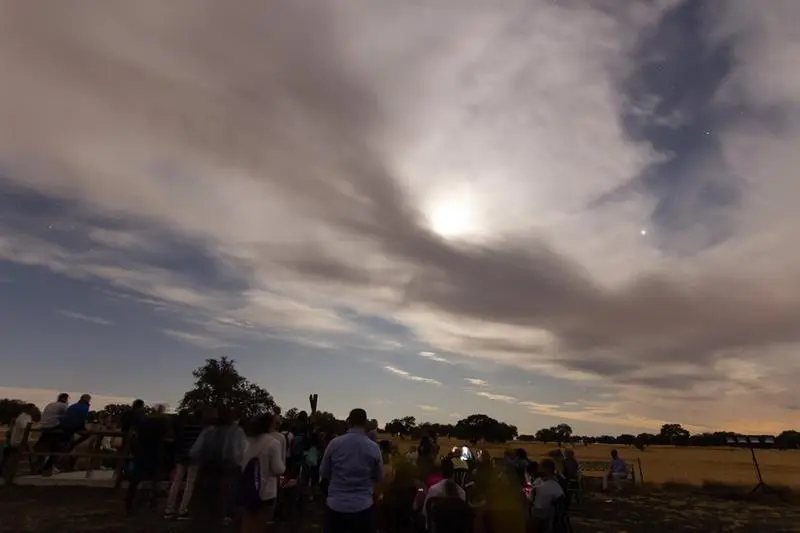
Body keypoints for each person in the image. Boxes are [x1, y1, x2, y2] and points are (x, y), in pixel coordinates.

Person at [320, 408, 383, 533]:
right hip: (363, 506)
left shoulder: (334, 444)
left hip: (336, 505)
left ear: (349, 422)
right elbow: (379, 477)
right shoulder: (374, 447)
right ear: (365, 423)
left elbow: (324, 472)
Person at [190, 405, 248, 526]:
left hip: (205, 474)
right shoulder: (236, 432)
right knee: (220, 510)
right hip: (226, 475)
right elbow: (238, 456)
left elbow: (194, 452)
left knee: (203, 512)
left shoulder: (208, 431)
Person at [239, 414, 285, 533]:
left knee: (247, 523)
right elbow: (278, 469)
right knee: (259, 524)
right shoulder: (274, 443)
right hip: (265, 491)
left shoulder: (247, 441)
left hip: (246, 487)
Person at [164, 408, 213, 520]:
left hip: (181, 457)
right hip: (194, 459)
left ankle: (169, 509)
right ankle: (183, 510)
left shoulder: (184, 427)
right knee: (189, 484)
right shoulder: (201, 429)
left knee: (176, 482)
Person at [125, 404, 169, 515]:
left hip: (142, 452)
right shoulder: (162, 423)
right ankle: (153, 503)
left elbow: (137, 435)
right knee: (155, 479)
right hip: (155, 452)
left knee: (135, 479)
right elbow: (165, 434)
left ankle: (129, 502)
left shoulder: (144, 421)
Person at [422, 458, 466, 528]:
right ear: (453, 473)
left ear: (440, 472)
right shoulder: (461, 492)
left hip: (436, 529)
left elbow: (425, 513)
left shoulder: (433, 489)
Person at [35, 393, 69, 475]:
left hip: (43, 427)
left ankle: (40, 466)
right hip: (53, 426)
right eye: (67, 399)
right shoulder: (63, 406)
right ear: (65, 399)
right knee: (60, 446)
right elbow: (68, 416)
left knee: (44, 446)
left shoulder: (50, 404)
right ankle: (48, 467)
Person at [0, 403, 35, 483]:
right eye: (32, 409)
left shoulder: (28, 417)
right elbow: (23, 428)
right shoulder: (22, 418)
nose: (34, 411)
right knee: (11, 456)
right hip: (18, 440)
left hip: (22, 439)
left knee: (9, 455)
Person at [530, 459, 564, 533]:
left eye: (540, 467)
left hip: (542, 516)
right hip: (535, 512)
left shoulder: (554, 485)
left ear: (547, 469)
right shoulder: (538, 480)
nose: (538, 469)